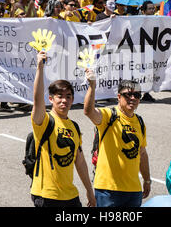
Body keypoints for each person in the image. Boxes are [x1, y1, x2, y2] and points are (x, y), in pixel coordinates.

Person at [30, 50, 96, 207]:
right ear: (51, 99)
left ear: (73, 99)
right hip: (47, 195)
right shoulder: (44, 120)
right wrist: (40, 67)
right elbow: (37, 99)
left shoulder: (73, 126)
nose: (64, 100)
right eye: (59, 96)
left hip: (71, 196)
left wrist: (89, 190)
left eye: (68, 96)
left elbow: (79, 162)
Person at [84, 72, 151, 207]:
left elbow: (142, 153)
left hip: (133, 190)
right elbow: (89, 111)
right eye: (128, 95)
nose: (132, 98)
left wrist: (147, 180)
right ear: (119, 97)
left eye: (137, 95)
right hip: (108, 190)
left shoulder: (139, 121)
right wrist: (92, 85)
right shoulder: (109, 115)